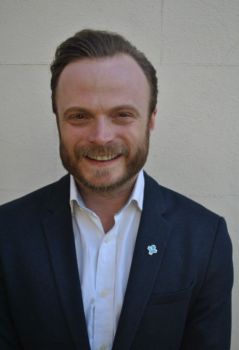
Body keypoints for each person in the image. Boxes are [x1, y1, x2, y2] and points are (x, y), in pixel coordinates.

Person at [0, 29, 233, 350]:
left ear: (151, 119)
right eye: (79, 116)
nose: (101, 136)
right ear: (57, 119)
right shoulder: (6, 232)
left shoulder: (205, 238)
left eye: (122, 114)